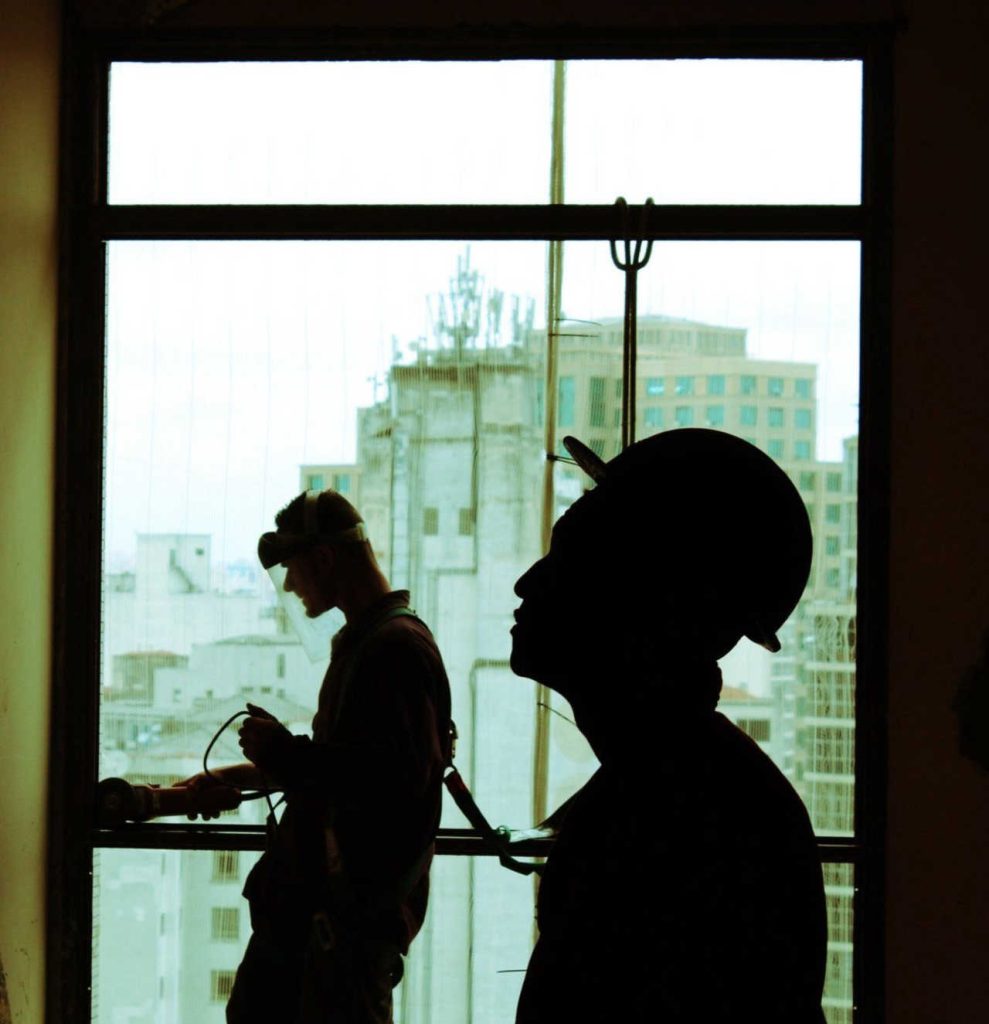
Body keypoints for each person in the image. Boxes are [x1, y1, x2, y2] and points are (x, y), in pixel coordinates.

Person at [511, 429, 828, 1023]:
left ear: (648, 598)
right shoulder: (697, 794)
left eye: (572, 558)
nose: (527, 582)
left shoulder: (671, 820)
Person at [178, 489, 451, 1024]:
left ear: (324, 559)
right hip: (318, 935)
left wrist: (284, 753)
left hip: (337, 940)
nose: (289, 585)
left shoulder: (392, 650)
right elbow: (343, 767)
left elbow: (388, 785)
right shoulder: (374, 643)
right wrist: (234, 776)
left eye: (292, 568)